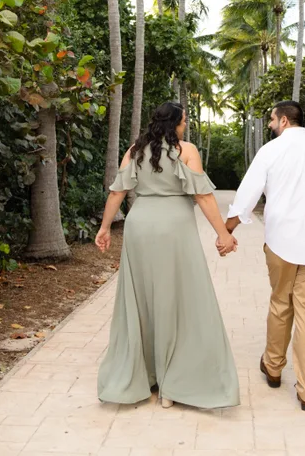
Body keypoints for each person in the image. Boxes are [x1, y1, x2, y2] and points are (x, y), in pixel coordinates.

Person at [96, 101, 240, 410]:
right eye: (184, 121)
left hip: (140, 226)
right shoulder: (186, 150)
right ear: (175, 123)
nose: (185, 125)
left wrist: (105, 227)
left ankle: (144, 375)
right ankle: (173, 384)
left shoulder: (135, 150)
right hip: (175, 228)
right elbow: (203, 196)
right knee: (178, 299)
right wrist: (223, 234)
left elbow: (117, 192)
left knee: (142, 299)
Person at [224, 100, 305, 412]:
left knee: (281, 302)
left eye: (272, 120)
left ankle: (273, 366)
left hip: (281, 242)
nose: (270, 125)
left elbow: (247, 194)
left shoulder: (271, 151)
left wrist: (227, 230)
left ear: (283, 120)